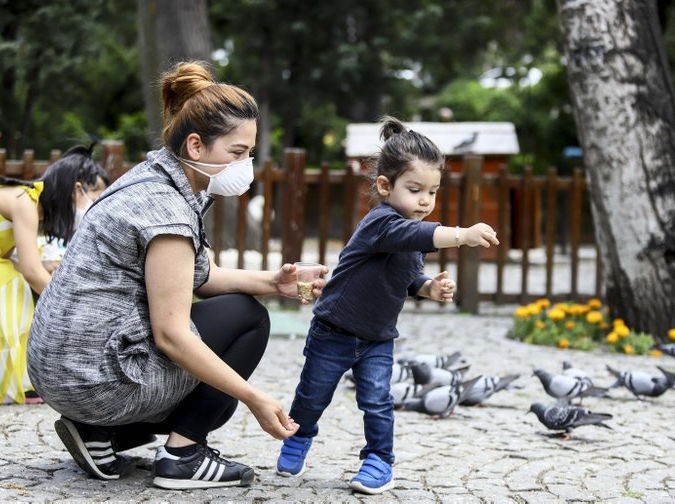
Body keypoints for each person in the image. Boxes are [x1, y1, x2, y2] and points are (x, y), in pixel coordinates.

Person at [27, 60, 326, 490]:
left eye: (250, 153)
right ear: (196, 146)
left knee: (240, 306)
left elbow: (200, 277)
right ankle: (183, 455)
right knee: (248, 320)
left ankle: (99, 432)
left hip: (61, 372)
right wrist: (252, 397)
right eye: (238, 153)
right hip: (96, 379)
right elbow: (171, 336)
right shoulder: (166, 211)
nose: (246, 166)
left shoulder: (152, 179)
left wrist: (274, 283)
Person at [275, 116, 500, 494]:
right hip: (334, 331)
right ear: (384, 185)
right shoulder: (381, 223)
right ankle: (299, 435)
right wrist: (462, 234)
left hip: (378, 339)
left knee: (378, 401)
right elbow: (414, 234)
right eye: (415, 190)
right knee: (313, 395)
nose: (425, 201)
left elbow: (405, 275)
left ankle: (379, 460)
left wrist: (429, 288)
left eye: (433, 191)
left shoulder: (409, 231)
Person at [0, 145, 108, 406]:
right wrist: (69, 306)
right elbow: (30, 271)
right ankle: (11, 378)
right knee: (13, 286)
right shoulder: (25, 202)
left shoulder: (31, 205)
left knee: (12, 280)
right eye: (96, 197)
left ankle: (14, 378)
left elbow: (15, 260)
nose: (96, 207)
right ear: (76, 190)